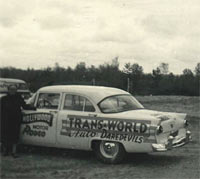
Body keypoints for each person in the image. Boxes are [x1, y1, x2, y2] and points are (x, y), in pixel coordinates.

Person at [0, 84, 35, 158]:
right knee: (5, 136)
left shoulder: (19, 98)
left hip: (16, 120)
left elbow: (24, 105)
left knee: (15, 136)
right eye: (11, 89)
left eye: (14, 89)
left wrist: (33, 107)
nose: (12, 91)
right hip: (5, 120)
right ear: (8, 90)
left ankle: (14, 152)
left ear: (16, 90)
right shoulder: (3, 99)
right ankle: (5, 151)